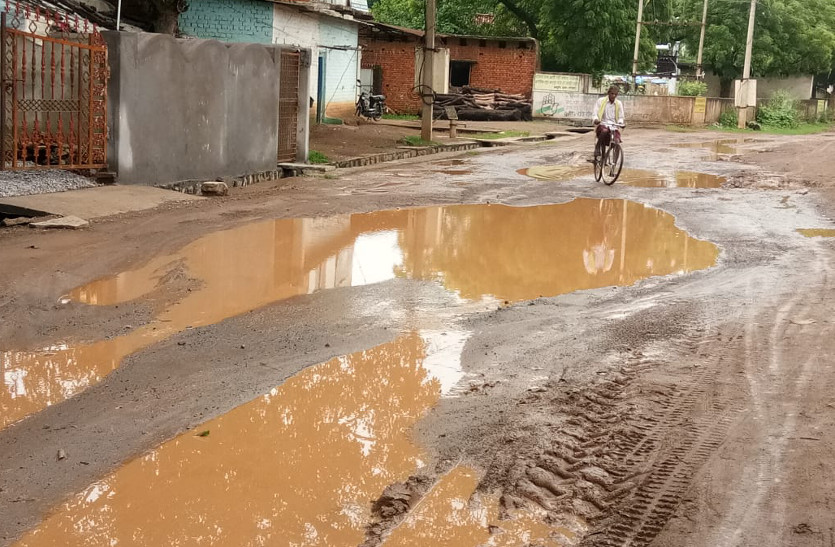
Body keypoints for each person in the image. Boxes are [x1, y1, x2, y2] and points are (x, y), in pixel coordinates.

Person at [592, 86, 625, 159]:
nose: (613, 96)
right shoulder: (601, 101)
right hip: (603, 124)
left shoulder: (619, 103)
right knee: (604, 131)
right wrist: (596, 120)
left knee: (616, 141)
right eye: (612, 93)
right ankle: (597, 147)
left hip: (613, 126)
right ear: (608, 93)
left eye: (615, 94)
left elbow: (621, 117)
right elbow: (595, 114)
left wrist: (620, 123)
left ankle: (612, 161)